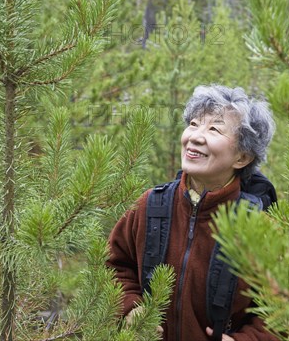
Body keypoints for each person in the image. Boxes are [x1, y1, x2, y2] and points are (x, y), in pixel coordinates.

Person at [107, 85, 279, 341]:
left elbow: (284, 309)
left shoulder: (259, 229)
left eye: (214, 129)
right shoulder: (149, 206)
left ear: (241, 158)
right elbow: (114, 265)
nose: (196, 136)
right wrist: (131, 308)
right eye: (194, 123)